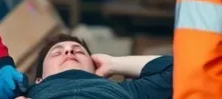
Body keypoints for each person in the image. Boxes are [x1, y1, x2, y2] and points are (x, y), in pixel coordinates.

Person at [23, 33, 173, 99]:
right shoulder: (25, 92)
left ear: (95, 69)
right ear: (39, 80)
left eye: (79, 51)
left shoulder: (123, 89)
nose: (69, 51)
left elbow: (176, 70)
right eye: (57, 53)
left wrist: (113, 64)